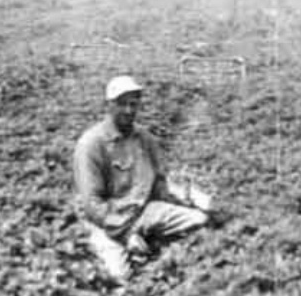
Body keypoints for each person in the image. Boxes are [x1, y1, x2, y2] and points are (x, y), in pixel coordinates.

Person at [73, 75, 211, 283]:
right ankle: (127, 248)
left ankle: (150, 245)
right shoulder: (91, 145)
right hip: (108, 221)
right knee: (120, 277)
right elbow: (93, 206)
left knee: (199, 221)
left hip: (143, 211)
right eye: (122, 104)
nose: (129, 110)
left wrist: (188, 199)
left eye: (133, 104)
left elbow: (159, 183)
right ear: (109, 105)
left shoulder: (144, 139)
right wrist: (126, 235)